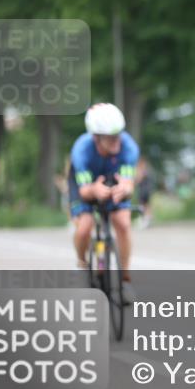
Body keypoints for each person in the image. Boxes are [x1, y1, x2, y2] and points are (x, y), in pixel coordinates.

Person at [69, 103, 139, 303]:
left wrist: (124, 189)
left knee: (123, 223)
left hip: (111, 180)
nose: (117, 141)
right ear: (96, 137)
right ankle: (82, 264)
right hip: (85, 184)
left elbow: (128, 182)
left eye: (119, 134)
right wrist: (94, 191)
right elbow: (83, 191)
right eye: (110, 137)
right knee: (84, 227)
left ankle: (125, 281)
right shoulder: (81, 151)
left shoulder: (129, 147)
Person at [134, 156, 155, 228]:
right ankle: (147, 219)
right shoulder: (148, 170)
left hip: (144, 190)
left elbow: (138, 179)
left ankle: (144, 219)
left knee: (142, 205)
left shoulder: (143, 170)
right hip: (148, 190)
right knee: (147, 205)